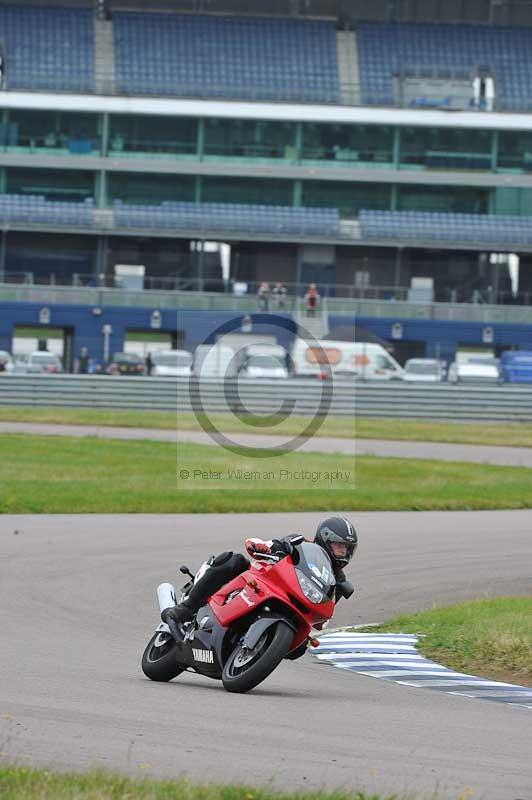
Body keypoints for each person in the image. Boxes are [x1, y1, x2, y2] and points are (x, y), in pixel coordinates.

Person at [161, 516, 358, 639]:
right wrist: (264, 547)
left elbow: (323, 619)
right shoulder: (299, 543)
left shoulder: (336, 582)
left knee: (301, 647)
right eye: (339, 546)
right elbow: (272, 545)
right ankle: (185, 609)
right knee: (234, 560)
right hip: (264, 581)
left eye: (346, 549)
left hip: (292, 607)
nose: (343, 553)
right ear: (325, 539)